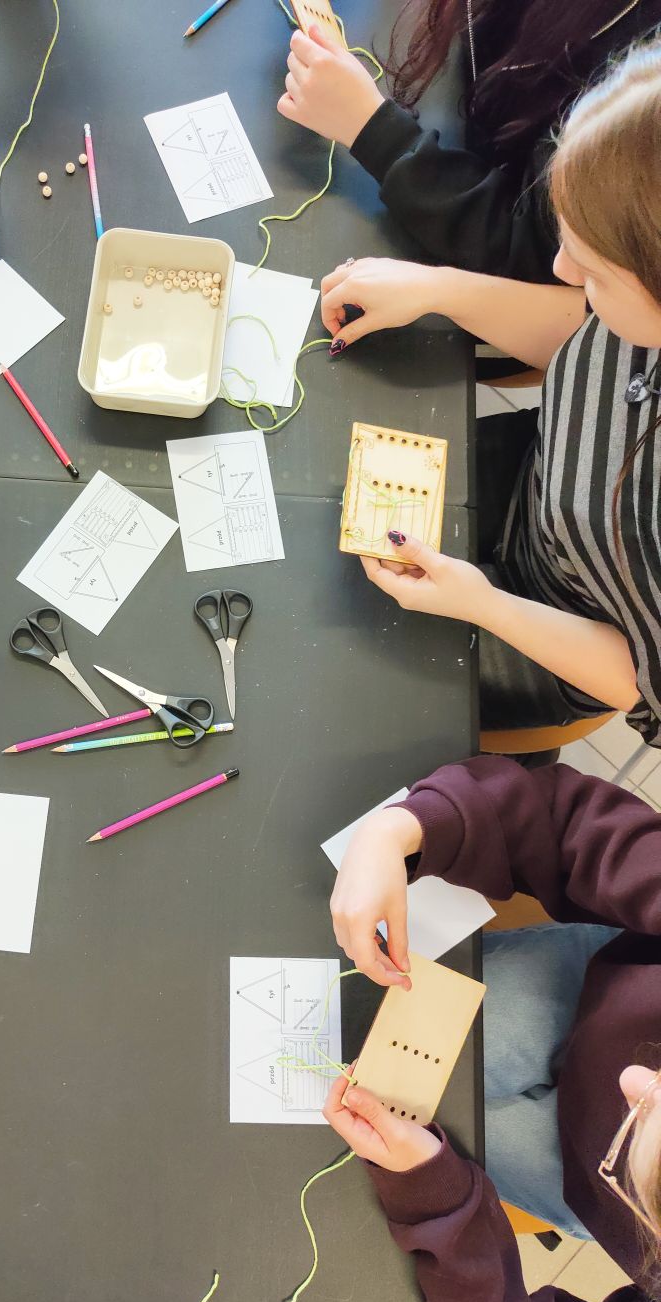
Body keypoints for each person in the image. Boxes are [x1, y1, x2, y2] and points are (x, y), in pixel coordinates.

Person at [318, 39, 661, 745]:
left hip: (550, 629)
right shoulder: (632, 297)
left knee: (330, 682)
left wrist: (485, 604)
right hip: (533, 490)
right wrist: (438, 289)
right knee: (320, 499)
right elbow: (586, 335)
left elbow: (638, 681)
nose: (561, 270)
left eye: (594, 271)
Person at [323, 754, 661, 1302]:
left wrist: (441, 1202)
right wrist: (399, 830)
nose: (634, 1077)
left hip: (602, 1192)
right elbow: (565, 820)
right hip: (592, 993)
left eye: (648, 1118)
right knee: (352, 1037)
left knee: (344, 1148)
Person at [278, 0, 661, 282]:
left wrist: (369, 127)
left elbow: (535, 255)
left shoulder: (639, 81)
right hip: (461, 136)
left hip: (488, 271)